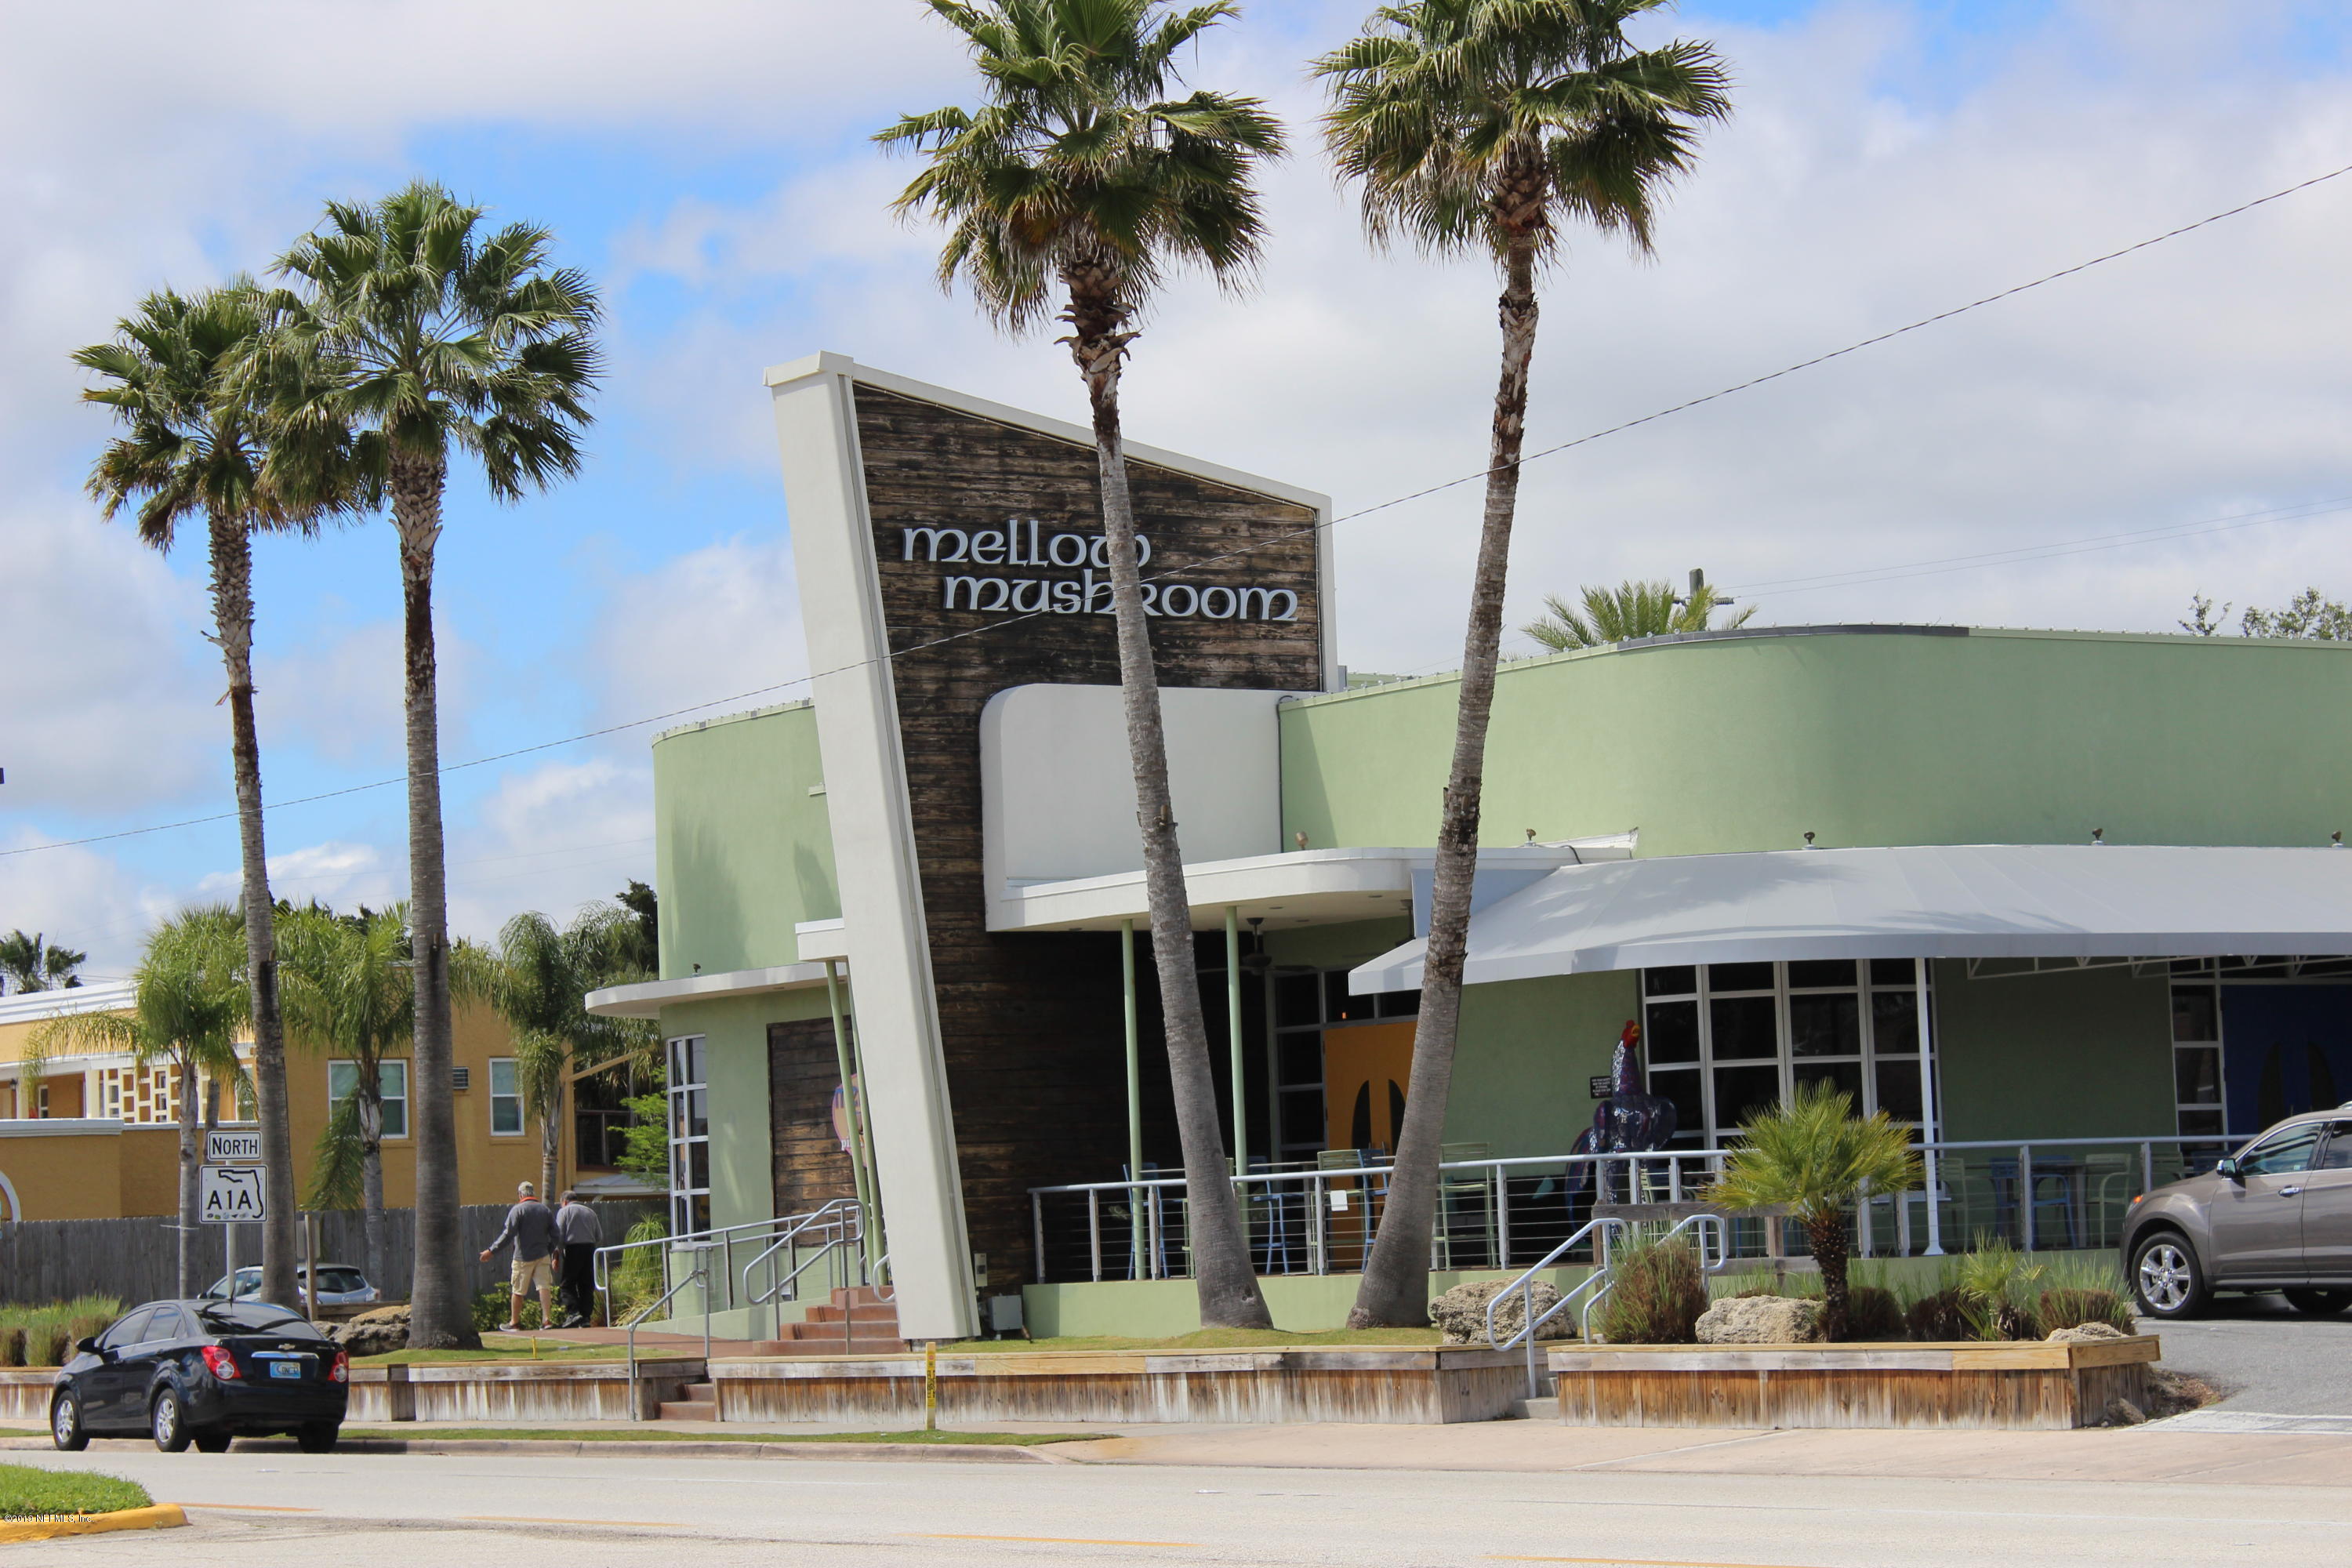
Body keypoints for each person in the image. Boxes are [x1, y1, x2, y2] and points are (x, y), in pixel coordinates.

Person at [479, 1181, 558, 1333]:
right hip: (542, 1255)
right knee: (544, 1287)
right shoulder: (544, 1210)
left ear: (520, 1194)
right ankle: (547, 1320)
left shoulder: (518, 1210)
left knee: (518, 1290)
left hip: (523, 1257)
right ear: (533, 1193)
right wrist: (548, 1249)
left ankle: (515, 1322)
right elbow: (556, 1234)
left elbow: (508, 1234)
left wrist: (491, 1250)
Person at [554, 1189, 604, 1327]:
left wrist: (557, 1254)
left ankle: (574, 1313)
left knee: (567, 1284)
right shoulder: (590, 1212)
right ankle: (586, 1317)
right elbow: (599, 1236)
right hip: (590, 1249)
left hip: (573, 1249)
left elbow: (559, 1236)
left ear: (564, 1201)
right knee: (586, 1284)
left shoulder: (564, 1212)